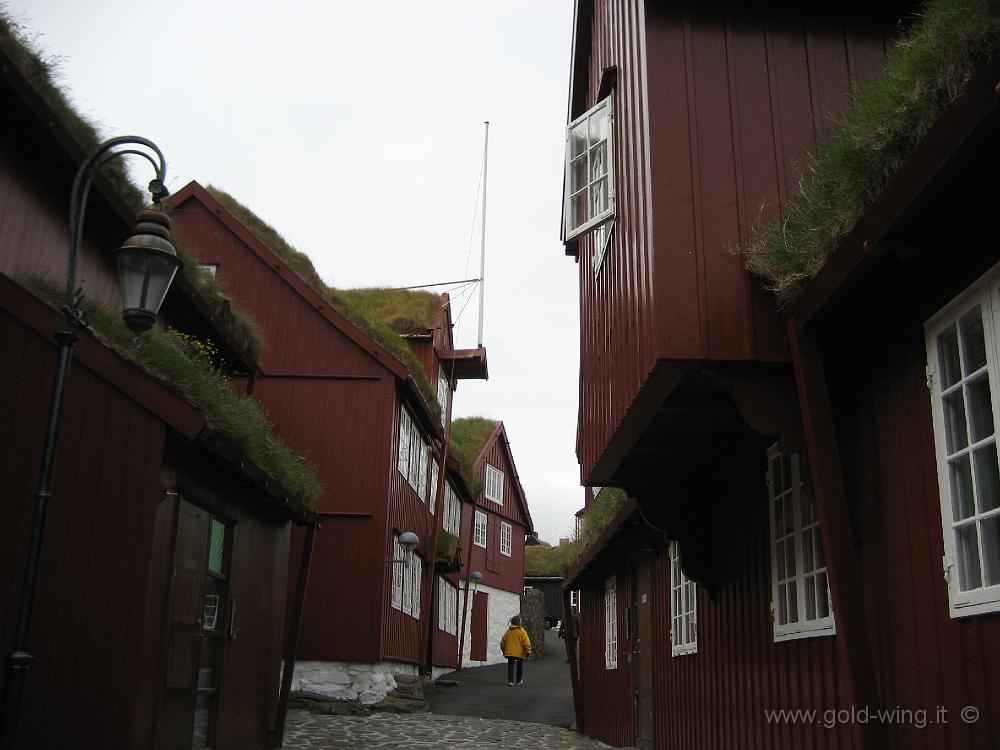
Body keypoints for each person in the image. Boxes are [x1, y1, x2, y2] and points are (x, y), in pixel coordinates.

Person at [499, 615, 532, 685]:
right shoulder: (522, 631)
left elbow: (503, 642)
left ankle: (510, 681)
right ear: (518, 622)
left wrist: (503, 650)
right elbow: (526, 642)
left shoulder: (508, 631)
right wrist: (528, 650)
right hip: (520, 652)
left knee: (510, 666)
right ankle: (518, 680)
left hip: (510, 652)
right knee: (519, 666)